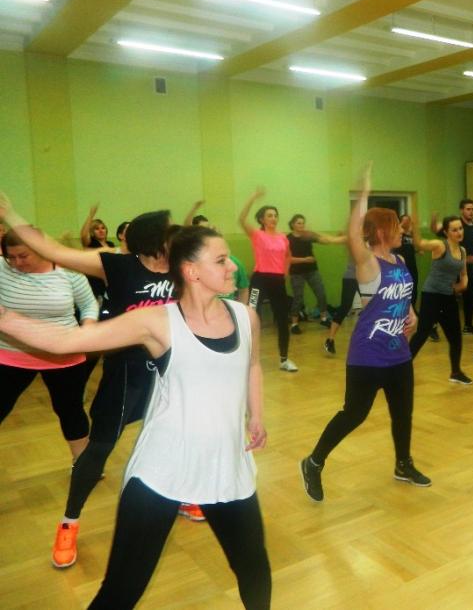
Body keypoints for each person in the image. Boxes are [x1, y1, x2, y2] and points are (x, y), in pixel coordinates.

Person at [0, 226, 271, 609]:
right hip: (162, 469)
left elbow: (253, 364)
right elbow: (66, 341)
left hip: (226, 467)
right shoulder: (157, 322)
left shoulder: (246, 317)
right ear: (191, 271)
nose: (233, 268)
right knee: (122, 590)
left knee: (255, 572)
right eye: (222, 260)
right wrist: (5, 317)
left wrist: (256, 415)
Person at [0, 193, 180, 567]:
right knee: (99, 449)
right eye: (169, 230)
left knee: (177, 433)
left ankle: (183, 492)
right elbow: (54, 250)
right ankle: (69, 522)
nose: (176, 234)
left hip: (171, 368)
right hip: (127, 372)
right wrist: (12, 216)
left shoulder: (183, 268)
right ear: (154, 238)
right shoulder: (119, 265)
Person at [300, 166, 428, 503]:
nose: (402, 230)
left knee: (403, 413)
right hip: (368, 356)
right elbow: (354, 235)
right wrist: (365, 193)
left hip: (399, 353)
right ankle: (313, 462)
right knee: (354, 414)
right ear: (382, 231)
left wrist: (412, 314)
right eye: (397, 226)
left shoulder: (399, 260)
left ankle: (403, 464)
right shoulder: (368, 263)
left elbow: (403, 298)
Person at [0, 230, 98, 463]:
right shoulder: (2, 269)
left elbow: (88, 304)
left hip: (63, 356)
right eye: (10, 257)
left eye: (23, 256)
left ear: (40, 249)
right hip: (11, 356)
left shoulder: (69, 272)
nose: (16, 262)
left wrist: (88, 328)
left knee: (70, 410)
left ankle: (83, 464)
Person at [409, 213, 472, 385]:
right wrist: (415, 226)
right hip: (432, 295)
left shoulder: (462, 251)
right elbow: (419, 244)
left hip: (448, 297)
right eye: (454, 230)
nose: (459, 232)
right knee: (422, 333)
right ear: (446, 232)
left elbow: (464, 274)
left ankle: (456, 372)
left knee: (455, 338)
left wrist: (462, 285)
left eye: (460, 228)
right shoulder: (440, 246)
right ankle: (402, 368)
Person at [239, 189, 296, 372]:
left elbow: (288, 256)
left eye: (275, 215)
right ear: (262, 219)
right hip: (260, 280)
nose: (273, 218)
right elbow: (241, 219)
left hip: (277, 281)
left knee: (282, 319)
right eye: (269, 215)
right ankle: (247, 358)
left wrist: (285, 273)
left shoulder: (283, 237)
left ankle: (284, 359)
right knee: (252, 317)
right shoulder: (257, 235)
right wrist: (253, 197)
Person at [286, 214, 345, 332]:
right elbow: (287, 259)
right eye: (299, 223)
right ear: (292, 224)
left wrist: (337, 238)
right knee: (298, 298)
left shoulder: (308, 236)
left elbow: (325, 241)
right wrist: (305, 260)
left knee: (321, 294)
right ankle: (294, 324)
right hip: (296, 273)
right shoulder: (288, 239)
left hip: (312, 270)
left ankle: (324, 318)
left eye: (303, 223)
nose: (301, 225)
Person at [185, 205, 250, 305]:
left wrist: (242, 309)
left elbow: (244, 289)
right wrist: (194, 208)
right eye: (203, 229)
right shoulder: (194, 263)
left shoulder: (235, 263)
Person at [434, 199, 473, 334]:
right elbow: (437, 231)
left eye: (472, 209)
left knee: (470, 297)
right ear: (461, 210)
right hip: (452, 266)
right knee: (444, 297)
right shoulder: (454, 225)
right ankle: (433, 325)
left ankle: (468, 325)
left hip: (468, 268)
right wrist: (434, 220)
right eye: (468, 209)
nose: (471, 211)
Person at [393, 214, 419, 311]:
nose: (407, 223)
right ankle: (402, 309)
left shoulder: (411, 235)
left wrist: (417, 250)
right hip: (401, 267)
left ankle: (412, 309)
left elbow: (415, 248)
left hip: (412, 266)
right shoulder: (397, 234)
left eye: (408, 221)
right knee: (402, 289)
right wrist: (401, 225)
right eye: (405, 221)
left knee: (413, 288)